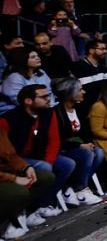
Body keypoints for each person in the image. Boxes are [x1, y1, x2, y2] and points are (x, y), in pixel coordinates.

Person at [0, 84, 69, 222]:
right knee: (45, 169)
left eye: (48, 96)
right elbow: (6, 153)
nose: (48, 99)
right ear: (28, 101)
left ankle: (42, 204)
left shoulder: (49, 113)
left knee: (66, 165)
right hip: (16, 159)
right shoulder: (8, 119)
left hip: (34, 157)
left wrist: (48, 161)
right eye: (43, 97)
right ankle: (24, 212)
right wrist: (19, 170)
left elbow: (54, 140)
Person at [51, 78, 104, 206]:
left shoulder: (79, 109)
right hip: (62, 150)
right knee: (87, 153)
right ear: (70, 93)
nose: (83, 92)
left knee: (99, 152)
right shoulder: (56, 113)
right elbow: (57, 140)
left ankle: (74, 187)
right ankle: (81, 190)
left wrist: (87, 143)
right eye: (80, 89)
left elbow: (85, 132)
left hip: (76, 147)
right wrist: (79, 145)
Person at [0, 123, 54, 241]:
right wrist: (13, 179)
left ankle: (20, 215)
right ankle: (11, 219)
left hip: (7, 171)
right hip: (3, 177)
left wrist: (25, 167)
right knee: (19, 192)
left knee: (45, 177)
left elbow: (11, 154)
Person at [0, 47, 54, 115]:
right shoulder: (14, 77)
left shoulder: (41, 73)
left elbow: (49, 92)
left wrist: (51, 106)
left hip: (41, 108)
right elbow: (20, 101)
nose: (38, 58)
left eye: (37, 56)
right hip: (15, 112)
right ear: (23, 60)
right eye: (33, 57)